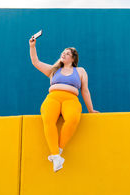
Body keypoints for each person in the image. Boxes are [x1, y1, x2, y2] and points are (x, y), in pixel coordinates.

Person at [29, 35, 100, 172]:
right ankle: (56, 156)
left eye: (67, 53)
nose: (64, 54)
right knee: (48, 120)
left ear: (73, 59)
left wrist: (91, 109)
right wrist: (32, 46)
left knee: (73, 119)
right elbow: (36, 62)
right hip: (53, 98)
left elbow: (85, 91)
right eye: (63, 53)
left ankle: (57, 152)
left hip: (71, 99)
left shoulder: (80, 71)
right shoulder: (53, 70)